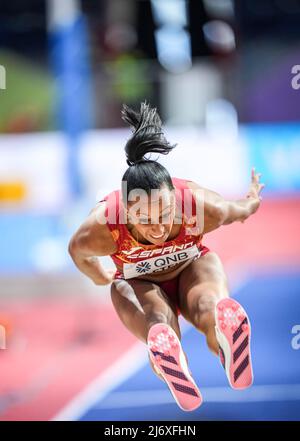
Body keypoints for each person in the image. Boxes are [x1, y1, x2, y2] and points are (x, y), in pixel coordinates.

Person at [68, 102, 265, 411]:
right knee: (158, 324)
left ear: (177, 199)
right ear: (127, 211)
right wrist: (99, 275)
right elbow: (77, 252)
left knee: (207, 305)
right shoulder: (104, 225)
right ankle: (170, 352)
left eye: (165, 213)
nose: (158, 228)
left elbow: (236, 210)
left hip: (192, 267)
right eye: (145, 220)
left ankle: (222, 333)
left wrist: (252, 198)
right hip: (139, 281)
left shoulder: (198, 205)